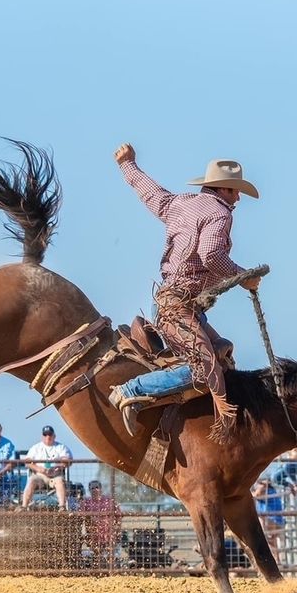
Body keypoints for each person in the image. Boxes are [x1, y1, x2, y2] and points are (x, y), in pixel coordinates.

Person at [107, 143, 262, 441]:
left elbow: (150, 193)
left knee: (222, 355)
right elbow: (211, 255)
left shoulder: (181, 203)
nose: (238, 198)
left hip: (175, 303)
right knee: (205, 371)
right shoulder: (220, 215)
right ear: (222, 189)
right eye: (235, 190)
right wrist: (244, 278)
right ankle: (131, 391)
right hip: (178, 307)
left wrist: (128, 164)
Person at [20, 425, 73, 511]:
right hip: (40, 476)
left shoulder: (61, 447)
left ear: (54, 436)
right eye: (45, 435)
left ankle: (62, 507)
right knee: (32, 480)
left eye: (50, 434)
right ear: (42, 436)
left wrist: (58, 465)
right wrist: (39, 469)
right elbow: (27, 462)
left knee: (60, 482)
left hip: (55, 475)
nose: (47, 437)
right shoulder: (36, 448)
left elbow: (68, 460)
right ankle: (24, 506)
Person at [81, 479, 122, 565]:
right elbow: (81, 517)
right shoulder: (86, 503)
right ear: (89, 490)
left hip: (109, 533)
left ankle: (111, 572)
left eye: (97, 487)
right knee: (97, 558)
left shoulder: (109, 501)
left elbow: (118, 516)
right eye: (92, 488)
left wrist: (117, 529)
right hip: (94, 535)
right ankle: (99, 573)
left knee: (110, 557)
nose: (95, 490)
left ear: (101, 488)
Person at [251, 478, 285, 564]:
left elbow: (255, 495)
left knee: (268, 539)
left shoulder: (263, 487)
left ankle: (273, 560)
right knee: (271, 539)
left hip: (269, 518)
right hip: (277, 518)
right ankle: (277, 559)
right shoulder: (271, 490)